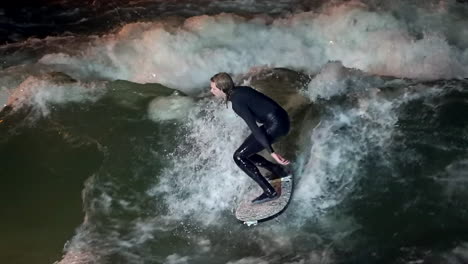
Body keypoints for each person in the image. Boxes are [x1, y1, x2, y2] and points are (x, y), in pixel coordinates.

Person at [210, 72, 291, 204]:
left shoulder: (237, 102)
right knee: (246, 152)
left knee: (239, 157)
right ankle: (277, 170)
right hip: (282, 119)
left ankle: (270, 192)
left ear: (222, 89)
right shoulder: (240, 90)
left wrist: (272, 152)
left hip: (277, 125)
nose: (211, 91)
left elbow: (254, 128)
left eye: (213, 88)